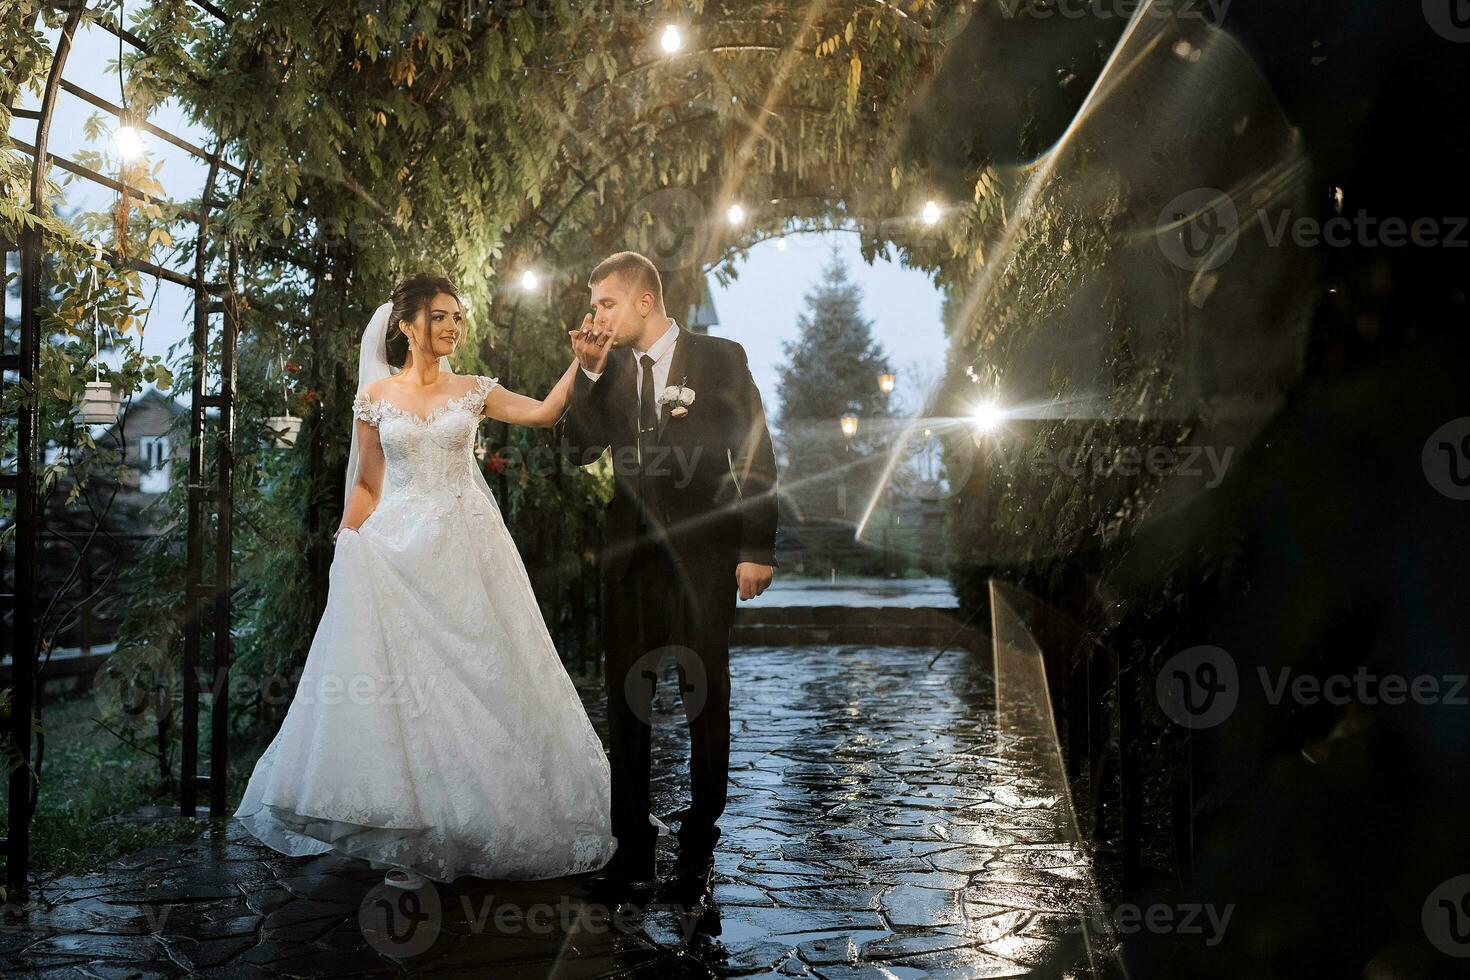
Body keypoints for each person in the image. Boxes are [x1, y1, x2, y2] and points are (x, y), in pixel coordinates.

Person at [235, 273, 622, 889]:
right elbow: (366, 484)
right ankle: (410, 841)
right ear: (408, 326)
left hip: (466, 546)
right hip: (396, 548)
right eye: (440, 317)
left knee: (481, 677)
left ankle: (483, 820)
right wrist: (349, 540)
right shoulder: (376, 397)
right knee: (406, 690)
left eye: (457, 317)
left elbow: (546, 414)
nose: (452, 327)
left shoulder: (474, 390)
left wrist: (582, 364)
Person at [563, 251, 779, 903]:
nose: (593, 315)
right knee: (627, 703)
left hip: (706, 557)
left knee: (704, 692)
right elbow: (577, 450)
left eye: (603, 302)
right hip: (630, 558)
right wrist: (588, 371)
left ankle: (698, 837)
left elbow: (757, 450)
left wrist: (757, 546)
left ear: (642, 302)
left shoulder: (722, 359)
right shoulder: (608, 369)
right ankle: (630, 847)